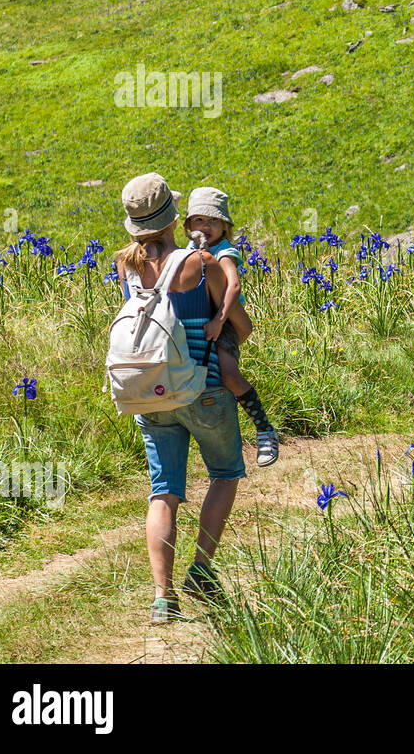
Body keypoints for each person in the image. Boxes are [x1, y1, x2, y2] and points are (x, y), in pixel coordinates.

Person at [113, 173, 244, 623]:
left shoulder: (123, 264)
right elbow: (240, 325)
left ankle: (162, 597)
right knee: (225, 473)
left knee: (163, 492)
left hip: (149, 392)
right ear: (173, 215)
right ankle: (202, 571)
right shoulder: (200, 262)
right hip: (201, 387)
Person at [184, 187, 280, 467]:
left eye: (213, 221)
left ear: (225, 227)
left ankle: (264, 428)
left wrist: (219, 319)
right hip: (197, 318)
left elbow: (233, 285)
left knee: (227, 371)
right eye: (199, 220)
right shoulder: (189, 251)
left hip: (221, 318)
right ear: (189, 225)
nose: (205, 226)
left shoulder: (224, 251)